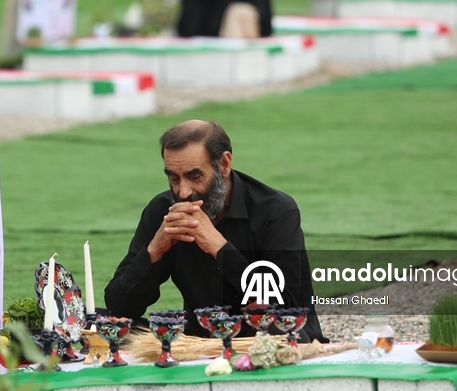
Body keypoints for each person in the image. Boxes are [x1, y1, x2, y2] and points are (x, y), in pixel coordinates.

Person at [104, 120, 329, 343]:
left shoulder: (276, 211)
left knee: (277, 331)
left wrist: (219, 248)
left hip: (268, 337)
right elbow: (120, 308)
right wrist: (154, 250)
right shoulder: (161, 211)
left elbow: (283, 308)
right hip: (198, 340)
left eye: (195, 177)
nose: (183, 192)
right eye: (173, 178)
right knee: (104, 324)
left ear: (224, 164)